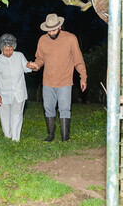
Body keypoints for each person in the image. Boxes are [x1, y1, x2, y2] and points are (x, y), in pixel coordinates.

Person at [27, 13, 87, 142]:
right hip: (48, 81)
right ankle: (50, 135)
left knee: (64, 109)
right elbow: (40, 58)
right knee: (48, 109)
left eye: (53, 30)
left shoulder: (71, 38)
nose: (51, 33)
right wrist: (35, 65)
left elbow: (78, 59)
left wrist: (83, 77)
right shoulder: (42, 40)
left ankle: (65, 138)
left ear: (60, 27)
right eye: (48, 30)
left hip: (65, 81)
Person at [0, 33, 32, 142]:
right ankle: (7, 136)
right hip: (3, 93)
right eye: (6, 49)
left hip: (18, 92)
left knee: (17, 115)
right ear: (1, 48)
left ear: (14, 47)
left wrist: (30, 66)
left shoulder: (20, 56)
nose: (8, 52)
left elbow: (27, 68)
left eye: (10, 49)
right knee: (4, 116)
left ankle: (15, 139)